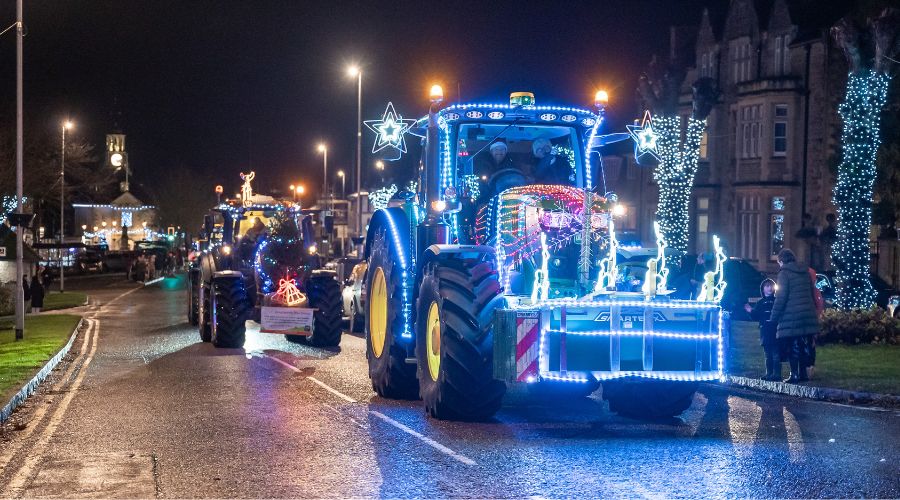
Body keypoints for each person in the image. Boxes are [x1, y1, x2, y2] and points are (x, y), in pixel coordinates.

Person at [769, 248, 819, 383]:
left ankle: (794, 374)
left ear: (781, 261)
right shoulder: (805, 272)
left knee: (793, 346)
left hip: (792, 316)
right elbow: (810, 292)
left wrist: (773, 318)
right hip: (807, 314)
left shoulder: (784, 274)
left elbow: (781, 298)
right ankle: (803, 374)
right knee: (803, 346)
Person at [745, 278, 780, 380]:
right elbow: (756, 316)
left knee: (776, 353)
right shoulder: (760, 303)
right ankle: (769, 373)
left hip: (775, 330)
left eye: (771, 286)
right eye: (767, 286)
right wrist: (750, 311)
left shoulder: (776, 301)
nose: (769, 288)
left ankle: (776, 374)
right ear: (763, 289)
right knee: (768, 354)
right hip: (765, 331)